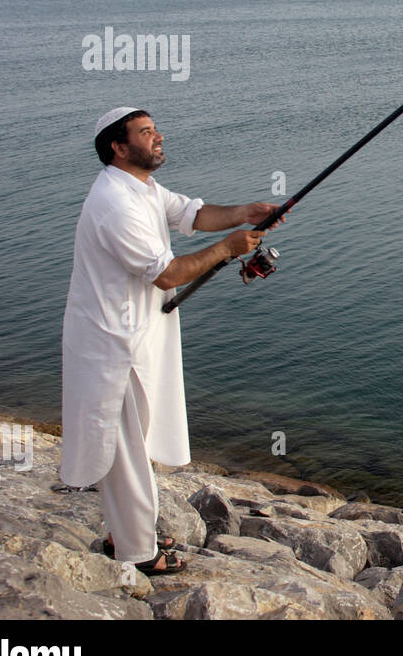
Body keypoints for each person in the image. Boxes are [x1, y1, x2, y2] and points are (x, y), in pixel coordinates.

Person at [60, 107, 282, 574]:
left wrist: (248, 212)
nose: (158, 137)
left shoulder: (140, 188)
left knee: (132, 441)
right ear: (119, 148)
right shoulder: (115, 204)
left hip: (136, 335)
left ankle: (125, 532)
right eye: (145, 133)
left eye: (154, 129)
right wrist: (227, 248)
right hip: (112, 344)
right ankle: (138, 552)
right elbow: (165, 274)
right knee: (120, 447)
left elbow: (192, 214)